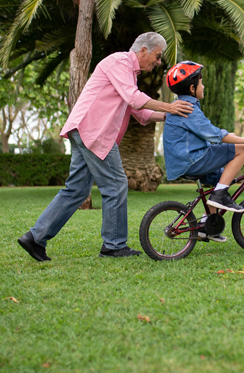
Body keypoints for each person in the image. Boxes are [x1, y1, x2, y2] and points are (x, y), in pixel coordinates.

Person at [17, 33, 194, 262]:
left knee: (77, 190)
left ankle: (35, 238)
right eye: (157, 56)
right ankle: (113, 246)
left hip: (85, 130)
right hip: (94, 131)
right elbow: (133, 98)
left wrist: (171, 116)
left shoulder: (128, 74)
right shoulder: (119, 61)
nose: (158, 62)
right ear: (142, 50)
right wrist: (170, 106)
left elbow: (139, 112)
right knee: (116, 184)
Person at [162, 61, 244, 242]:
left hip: (186, 161)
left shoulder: (182, 105)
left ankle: (208, 226)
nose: (203, 86)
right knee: (242, 150)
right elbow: (215, 135)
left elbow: (207, 134)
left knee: (220, 177)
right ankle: (220, 195)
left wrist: (230, 136)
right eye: (201, 82)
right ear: (192, 87)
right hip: (193, 160)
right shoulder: (188, 108)